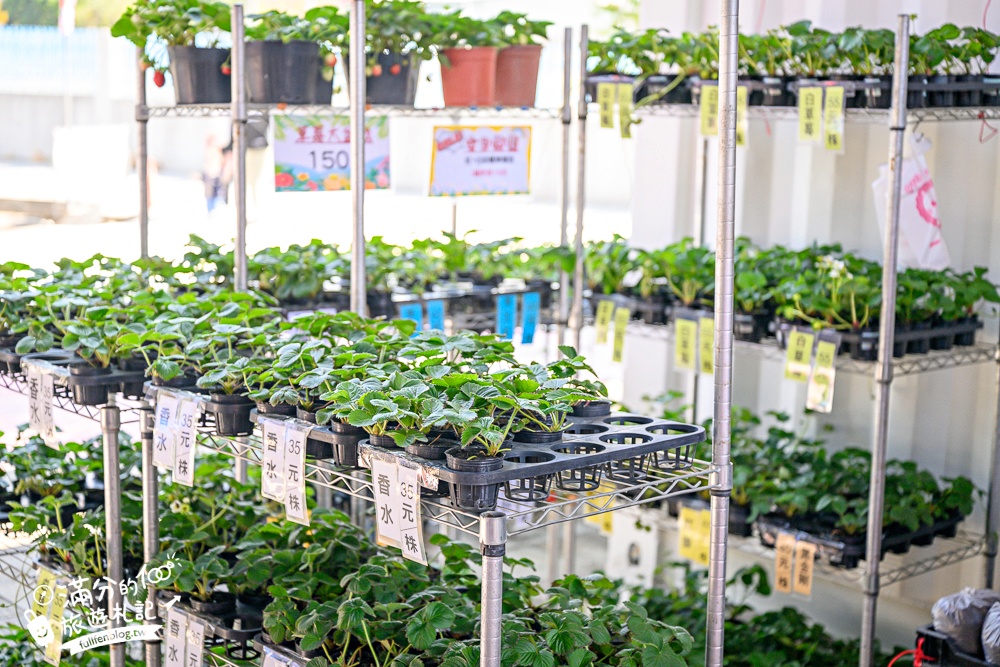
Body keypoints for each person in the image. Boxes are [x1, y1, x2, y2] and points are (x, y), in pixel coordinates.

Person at [203, 134, 232, 213]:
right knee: (211, 201)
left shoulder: (219, 151)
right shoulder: (209, 151)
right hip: (211, 179)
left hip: (218, 180)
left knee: (219, 200)